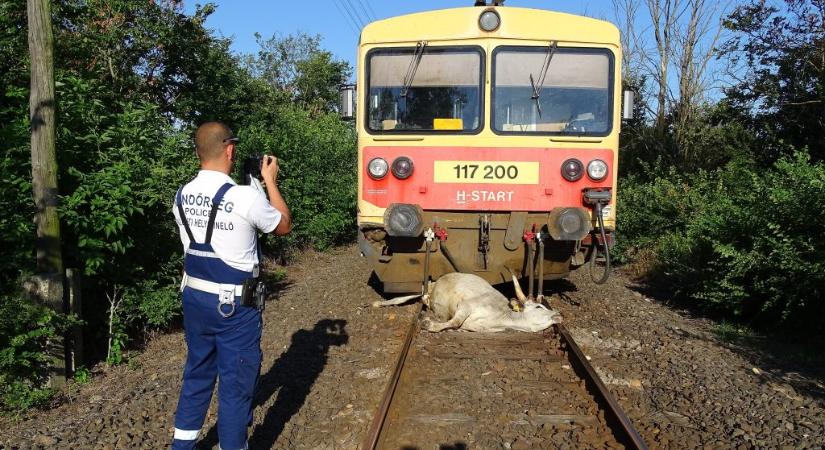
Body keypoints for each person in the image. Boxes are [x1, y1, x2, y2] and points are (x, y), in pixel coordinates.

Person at [171, 121, 291, 450]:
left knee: (196, 374)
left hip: (195, 299)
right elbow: (282, 225)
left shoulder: (181, 195)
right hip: (233, 308)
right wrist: (269, 181)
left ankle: (182, 446)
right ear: (230, 150)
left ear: (198, 152)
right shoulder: (243, 197)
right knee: (235, 387)